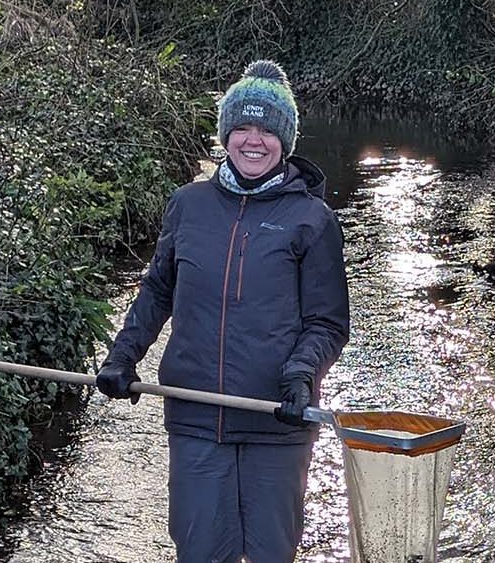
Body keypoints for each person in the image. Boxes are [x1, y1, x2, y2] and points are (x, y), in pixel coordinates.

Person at [96, 59, 350, 563]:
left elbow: (328, 323)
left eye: (266, 130)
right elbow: (157, 291)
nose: (253, 141)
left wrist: (300, 375)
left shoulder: (313, 220)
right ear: (225, 135)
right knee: (199, 551)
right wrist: (123, 356)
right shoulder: (188, 204)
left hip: (277, 425)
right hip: (194, 421)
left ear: (286, 140)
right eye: (242, 128)